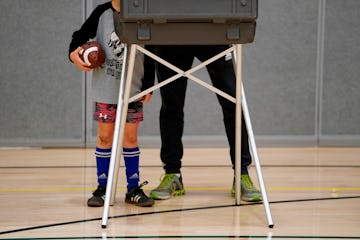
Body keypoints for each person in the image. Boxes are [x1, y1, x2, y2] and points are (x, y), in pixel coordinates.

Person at [68, 0, 154, 207]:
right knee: (105, 136)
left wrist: (149, 84)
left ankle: (133, 188)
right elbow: (79, 36)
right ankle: (103, 188)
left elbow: (152, 50)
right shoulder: (101, 12)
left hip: (132, 89)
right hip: (106, 88)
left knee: (130, 137)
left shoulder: (142, 11)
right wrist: (73, 54)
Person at [149, 45, 262, 202]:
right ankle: (172, 173)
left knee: (233, 103)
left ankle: (242, 174)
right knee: (171, 106)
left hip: (214, 34)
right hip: (172, 36)